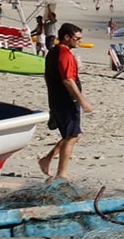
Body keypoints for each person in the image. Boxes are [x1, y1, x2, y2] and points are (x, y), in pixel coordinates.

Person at [38, 23, 92, 179]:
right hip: (65, 100)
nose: (79, 42)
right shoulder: (64, 54)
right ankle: (61, 173)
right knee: (71, 136)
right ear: (67, 37)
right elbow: (68, 80)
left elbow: (47, 76)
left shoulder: (53, 52)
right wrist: (82, 101)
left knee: (74, 134)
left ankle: (47, 159)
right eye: (77, 38)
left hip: (58, 98)